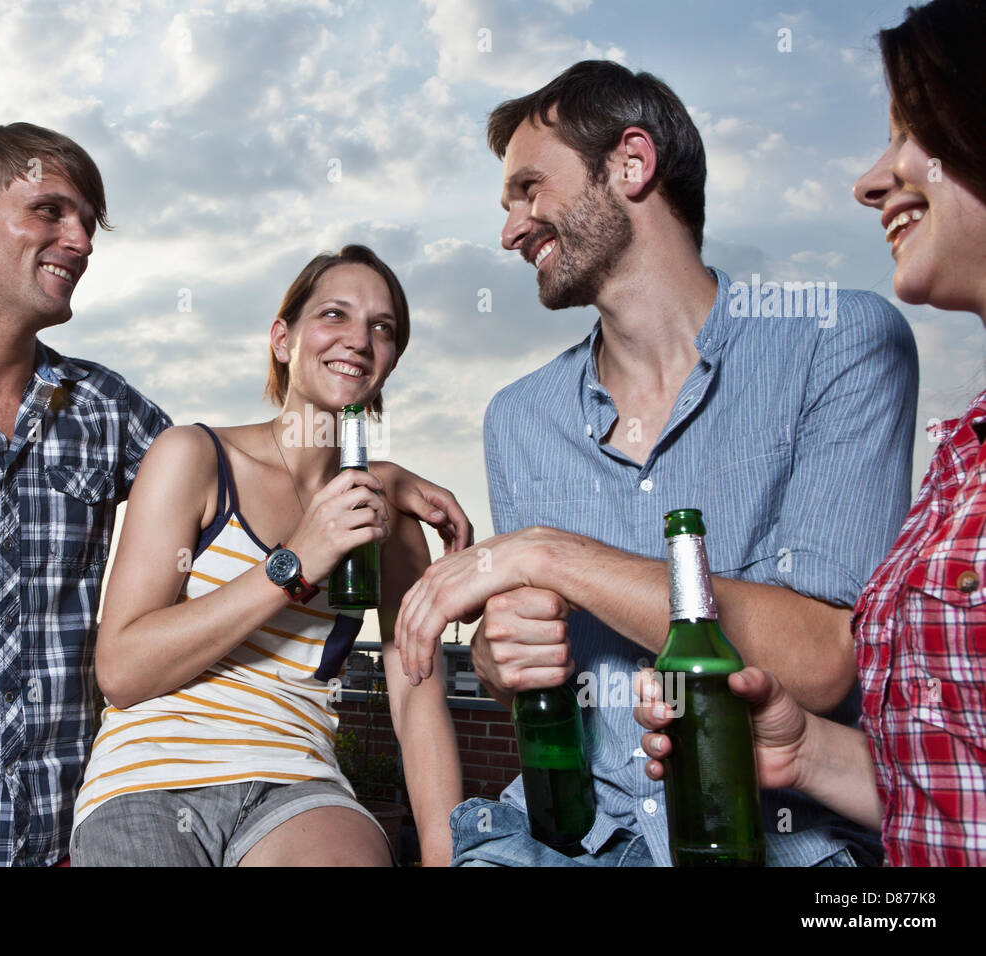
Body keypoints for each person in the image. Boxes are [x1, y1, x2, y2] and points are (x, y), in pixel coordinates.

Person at [0, 125, 470, 867]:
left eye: (87, 222)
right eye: (51, 211)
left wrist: (383, 478)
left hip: (55, 842)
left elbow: (259, 469)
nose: (81, 239)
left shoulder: (106, 411)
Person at [394, 60, 919, 867]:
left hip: (774, 843)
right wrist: (506, 662)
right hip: (559, 845)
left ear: (632, 163)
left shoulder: (839, 343)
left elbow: (818, 662)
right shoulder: (519, 418)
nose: (511, 229)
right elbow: (541, 677)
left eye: (530, 189)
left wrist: (548, 552)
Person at [638, 0, 986, 867]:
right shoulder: (961, 456)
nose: (872, 180)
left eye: (915, 131)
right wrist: (807, 753)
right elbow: (957, 792)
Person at [70, 245, 463, 866]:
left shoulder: (388, 520)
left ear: (389, 360)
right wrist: (294, 562)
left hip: (297, 785)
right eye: (334, 315)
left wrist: (448, 859)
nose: (359, 339)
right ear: (283, 339)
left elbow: (417, 697)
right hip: (149, 777)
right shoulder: (193, 458)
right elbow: (121, 671)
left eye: (382, 328)